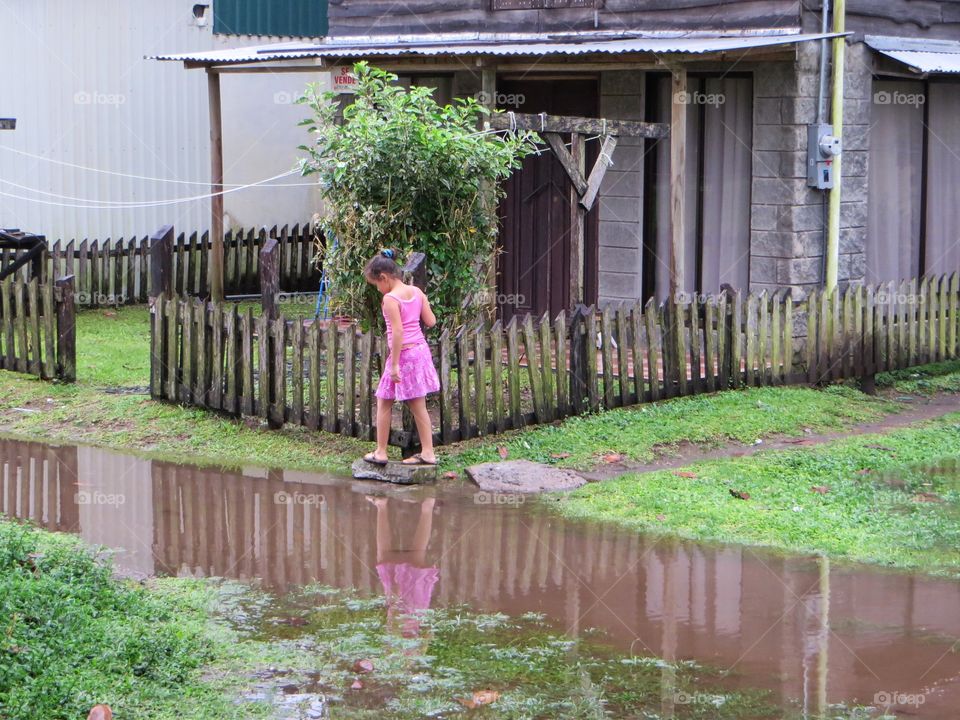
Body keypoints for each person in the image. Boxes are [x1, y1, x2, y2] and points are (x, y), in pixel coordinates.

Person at [362, 249, 440, 466]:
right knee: (409, 403)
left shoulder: (390, 299)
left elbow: (397, 332)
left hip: (403, 356)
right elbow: (431, 321)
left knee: (386, 402)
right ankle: (426, 452)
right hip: (420, 351)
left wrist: (395, 364)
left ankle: (382, 451)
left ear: (384, 278)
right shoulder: (417, 292)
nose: (378, 289)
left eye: (377, 284)